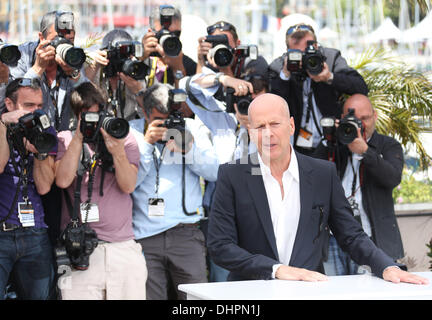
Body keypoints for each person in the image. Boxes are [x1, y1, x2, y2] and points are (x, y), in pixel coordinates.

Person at [206, 93, 428, 286]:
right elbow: (220, 245)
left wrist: (386, 267)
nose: (268, 133)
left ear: (291, 125)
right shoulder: (232, 175)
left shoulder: (323, 173)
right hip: (250, 292)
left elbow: (350, 234)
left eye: (275, 124)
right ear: (250, 132)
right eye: (259, 127)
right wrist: (275, 269)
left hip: (310, 290)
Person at [55, 82, 147, 300]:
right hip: (80, 249)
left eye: (99, 114)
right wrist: (78, 137)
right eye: (87, 116)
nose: (94, 122)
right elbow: (63, 180)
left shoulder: (124, 138)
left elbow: (128, 185)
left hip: (122, 247)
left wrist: (118, 152)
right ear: (77, 116)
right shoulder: (65, 139)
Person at [129, 83, 219, 299]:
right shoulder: (132, 131)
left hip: (185, 231)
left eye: (170, 117)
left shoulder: (191, 127)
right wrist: (147, 145)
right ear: (145, 112)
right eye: (160, 119)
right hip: (145, 234)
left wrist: (190, 151)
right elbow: (129, 184)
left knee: (196, 301)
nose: (167, 125)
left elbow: (214, 172)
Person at [313, 94, 405, 276]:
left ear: (375, 116)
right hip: (333, 237)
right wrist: (330, 141)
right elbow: (312, 175)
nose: (360, 124)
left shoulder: (388, 145)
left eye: (365, 119)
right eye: (354, 120)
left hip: (372, 238)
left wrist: (365, 151)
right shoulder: (335, 146)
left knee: (370, 292)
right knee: (333, 291)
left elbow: (392, 178)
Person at [269, 23, 368, 156]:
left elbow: (360, 87)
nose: (304, 58)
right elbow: (272, 104)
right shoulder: (279, 66)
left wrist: (329, 77)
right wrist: (285, 75)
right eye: (297, 53)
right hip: (297, 146)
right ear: (288, 52)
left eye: (307, 51)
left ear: (316, 46)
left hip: (331, 141)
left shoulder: (331, 59)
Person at [0, 78, 56, 299]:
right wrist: (4, 125)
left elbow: (43, 187)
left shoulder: (44, 128)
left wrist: (40, 150)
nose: (35, 111)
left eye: (39, 106)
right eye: (29, 106)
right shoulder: (1, 125)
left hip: (35, 232)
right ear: (10, 104)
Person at [84, 29, 147, 121]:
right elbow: (78, 99)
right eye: (115, 56)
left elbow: (147, 114)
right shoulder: (96, 71)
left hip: (129, 129)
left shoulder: (135, 73)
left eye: (126, 57)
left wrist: (139, 91)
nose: (120, 62)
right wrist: (93, 67)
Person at [141, 5, 196, 87]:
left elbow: (186, 97)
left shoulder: (189, 65)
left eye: (176, 34)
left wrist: (178, 68)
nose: (170, 38)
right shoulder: (141, 59)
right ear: (150, 32)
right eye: (164, 33)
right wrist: (140, 58)